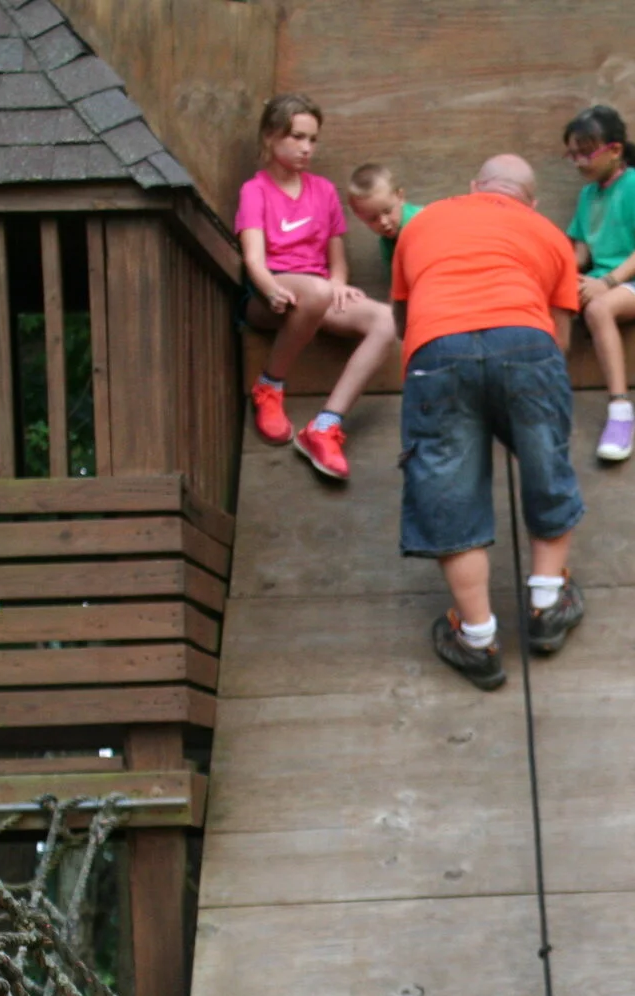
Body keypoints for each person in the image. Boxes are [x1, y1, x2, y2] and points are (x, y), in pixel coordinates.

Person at [390, 155, 585, 690]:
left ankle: (477, 638)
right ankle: (547, 602)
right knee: (546, 461)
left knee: (449, 487)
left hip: (437, 347)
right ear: (532, 201)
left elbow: (403, 322)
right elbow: (561, 339)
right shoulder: (549, 234)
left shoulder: (422, 221)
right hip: (526, 340)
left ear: (474, 187)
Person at [235, 93, 399, 481]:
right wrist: (272, 290)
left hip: (318, 295)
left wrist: (339, 284)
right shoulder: (254, 191)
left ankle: (324, 426)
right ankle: (270, 387)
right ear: (271, 138)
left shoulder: (323, 190)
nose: (307, 148)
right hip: (268, 296)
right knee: (317, 291)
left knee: (387, 322)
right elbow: (254, 260)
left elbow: (336, 259)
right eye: (297, 137)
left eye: (313, 139)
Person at [561, 106, 635, 464]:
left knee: (597, 306)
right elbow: (580, 252)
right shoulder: (587, 195)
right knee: (552, 301)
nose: (579, 162)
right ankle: (547, 395)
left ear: (615, 149)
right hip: (600, 281)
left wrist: (606, 282)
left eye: (586, 152)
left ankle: (620, 410)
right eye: (572, 154)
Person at [346, 161, 422, 265]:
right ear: (360, 216)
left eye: (388, 211)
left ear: (400, 197)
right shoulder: (386, 242)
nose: (383, 222)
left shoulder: (421, 223)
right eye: (372, 218)